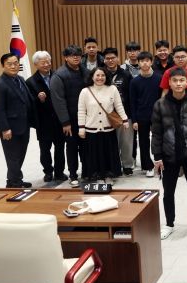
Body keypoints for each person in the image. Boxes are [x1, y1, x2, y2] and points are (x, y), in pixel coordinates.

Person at [151, 67, 187, 239]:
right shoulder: (160, 104)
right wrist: (157, 156)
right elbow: (156, 133)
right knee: (168, 191)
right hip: (169, 154)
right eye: (174, 80)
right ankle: (169, 224)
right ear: (169, 83)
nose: (178, 84)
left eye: (181, 80)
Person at [0, 53, 35, 188]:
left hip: (23, 125)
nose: (13, 66)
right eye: (9, 64)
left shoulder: (20, 79)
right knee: (13, 157)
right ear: (3, 65)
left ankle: (13, 180)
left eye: (16, 63)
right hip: (9, 128)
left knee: (20, 154)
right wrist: (5, 128)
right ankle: (15, 182)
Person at [77, 66, 128, 184]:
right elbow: (81, 111)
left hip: (108, 129)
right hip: (91, 129)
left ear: (106, 77)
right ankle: (97, 176)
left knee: (108, 153)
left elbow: (119, 106)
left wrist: (125, 120)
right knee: (94, 155)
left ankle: (109, 175)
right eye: (97, 75)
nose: (100, 78)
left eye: (103, 75)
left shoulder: (112, 89)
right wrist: (81, 128)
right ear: (92, 77)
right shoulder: (85, 91)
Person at [26, 51, 66, 183]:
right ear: (36, 64)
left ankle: (59, 172)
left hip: (59, 120)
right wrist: (38, 99)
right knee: (45, 149)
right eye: (43, 62)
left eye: (48, 61)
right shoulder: (30, 82)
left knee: (60, 147)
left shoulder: (58, 76)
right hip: (43, 122)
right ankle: (48, 172)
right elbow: (28, 103)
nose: (47, 64)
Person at [51, 45, 88, 187]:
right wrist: (65, 122)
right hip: (70, 119)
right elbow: (58, 100)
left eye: (78, 54)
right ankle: (73, 175)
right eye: (72, 55)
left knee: (86, 146)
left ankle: (87, 172)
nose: (76, 57)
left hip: (86, 117)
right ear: (66, 58)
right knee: (72, 147)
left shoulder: (86, 71)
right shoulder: (59, 75)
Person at [129, 51, 162, 177]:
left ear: (151, 62)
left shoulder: (159, 78)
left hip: (157, 115)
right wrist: (134, 120)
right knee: (143, 142)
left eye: (147, 61)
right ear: (138, 63)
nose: (145, 63)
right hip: (141, 115)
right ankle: (147, 166)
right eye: (142, 61)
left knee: (159, 140)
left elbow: (162, 98)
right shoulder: (135, 81)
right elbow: (132, 102)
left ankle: (160, 163)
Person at [103, 47, 134, 176]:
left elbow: (131, 96)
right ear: (104, 60)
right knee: (109, 143)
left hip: (124, 113)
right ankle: (112, 166)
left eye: (113, 58)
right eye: (108, 58)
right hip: (106, 114)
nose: (110, 60)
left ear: (118, 59)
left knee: (126, 142)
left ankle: (127, 165)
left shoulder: (126, 75)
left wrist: (130, 116)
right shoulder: (101, 74)